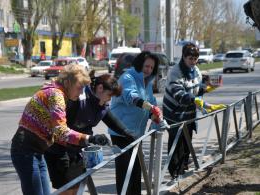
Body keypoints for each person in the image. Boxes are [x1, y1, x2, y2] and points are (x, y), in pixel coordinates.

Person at [10, 65, 110, 195]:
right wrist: (89, 138)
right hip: (25, 151)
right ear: (68, 83)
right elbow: (61, 131)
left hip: (38, 151)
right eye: (79, 88)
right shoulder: (56, 95)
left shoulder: (58, 91)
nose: (81, 93)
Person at [44, 70, 134, 195]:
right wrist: (90, 138)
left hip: (78, 149)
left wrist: (127, 132)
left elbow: (110, 119)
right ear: (100, 88)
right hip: (59, 149)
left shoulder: (100, 103)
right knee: (67, 188)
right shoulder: (77, 99)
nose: (109, 100)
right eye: (109, 95)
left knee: (77, 186)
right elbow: (60, 128)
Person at [162, 42, 225, 179]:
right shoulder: (175, 72)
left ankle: (183, 168)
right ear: (184, 57)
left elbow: (196, 88)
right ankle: (175, 173)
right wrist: (196, 100)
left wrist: (206, 88)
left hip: (189, 113)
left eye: (195, 58)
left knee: (187, 141)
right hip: (174, 114)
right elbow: (179, 94)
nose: (193, 61)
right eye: (190, 58)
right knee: (176, 143)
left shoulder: (195, 70)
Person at [108, 51, 163, 195]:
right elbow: (131, 97)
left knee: (136, 170)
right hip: (120, 131)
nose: (149, 70)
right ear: (139, 64)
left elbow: (152, 103)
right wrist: (150, 107)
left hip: (137, 133)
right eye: (146, 66)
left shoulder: (148, 82)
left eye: (152, 68)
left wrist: (156, 116)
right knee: (125, 171)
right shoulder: (128, 78)